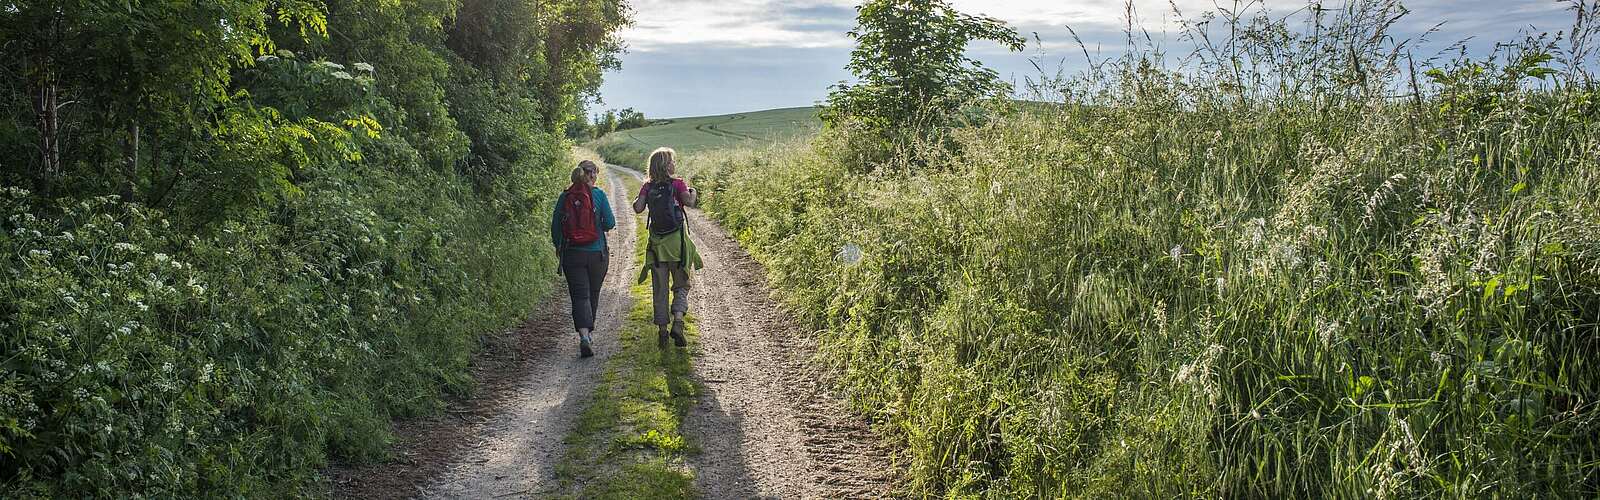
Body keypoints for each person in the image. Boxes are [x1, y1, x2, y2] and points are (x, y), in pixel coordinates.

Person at [632, 147, 702, 348]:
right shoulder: (678, 183)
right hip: (677, 244)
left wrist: (637, 198)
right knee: (682, 284)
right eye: (672, 161)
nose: (674, 164)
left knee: (660, 289)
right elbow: (688, 202)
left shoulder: (648, 186)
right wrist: (693, 192)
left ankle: (662, 332)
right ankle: (678, 320)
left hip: (657, 246)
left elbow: (638, 208)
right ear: (666, 164)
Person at [551, 160, 616, 357]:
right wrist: (596, 227)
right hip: (597, 254)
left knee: (580, 295)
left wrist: (559, 247)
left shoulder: (565, 196)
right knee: (593, 293)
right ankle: (589, 333)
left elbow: (555, 227)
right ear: (594, 175)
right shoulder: (598, 195)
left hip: (573, 254)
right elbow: (610, 222)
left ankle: (584, 336)